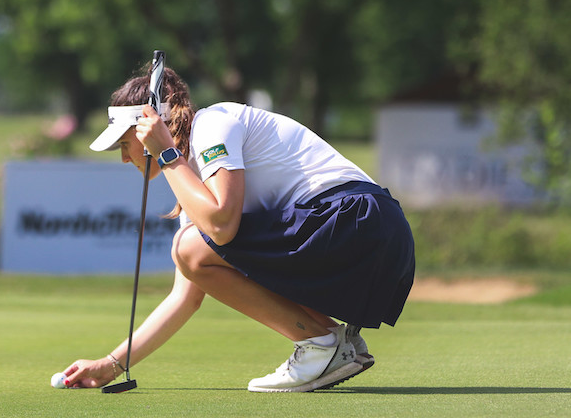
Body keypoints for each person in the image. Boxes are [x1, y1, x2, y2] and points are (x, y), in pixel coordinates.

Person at [60, 66, 415, 392]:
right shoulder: (194, 174)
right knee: (191, 249)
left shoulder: (212, 124)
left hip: (358, 221)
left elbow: (222, 225)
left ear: (151, 126)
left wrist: (167, 154)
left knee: (189, 245)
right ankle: (336, 344)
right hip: (370, 233)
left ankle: (319, 344)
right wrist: (110, 365)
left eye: (125, 143)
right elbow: (186, 294)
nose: (124, 157)